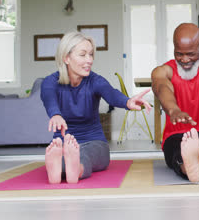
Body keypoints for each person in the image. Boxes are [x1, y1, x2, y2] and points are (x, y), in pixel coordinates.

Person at [41, 31, 151, 184]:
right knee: (66, 153)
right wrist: (55, 114)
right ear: (66, 58)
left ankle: (73, 170)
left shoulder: (95, 81)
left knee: (83, 153)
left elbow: (111, 94)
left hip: (94, 142)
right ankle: (61, 167)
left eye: (91, 54)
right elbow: (49, 98)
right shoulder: (50, 82)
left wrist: (127, 102)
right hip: (63, 141)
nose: (89, 60)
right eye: (83, 55)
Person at [151, 23, 199, 182]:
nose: (184, 59)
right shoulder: (163, 71)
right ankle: (194, 167)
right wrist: (173, 110)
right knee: (179, 150)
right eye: (179, 54)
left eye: (190, 54)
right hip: (177, 135)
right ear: (173, 47)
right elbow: (161, 88)